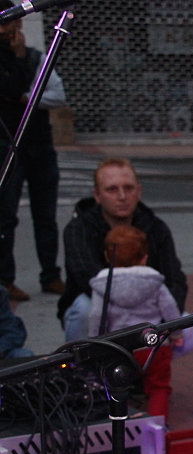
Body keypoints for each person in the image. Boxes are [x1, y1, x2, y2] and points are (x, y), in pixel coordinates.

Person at [58, 159, 188, 342]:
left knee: (191, 328)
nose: (122, 196)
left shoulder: (156, 228)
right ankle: (82, 364)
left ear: (139, 191)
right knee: (84, 310)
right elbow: (87, 277)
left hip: (147, 307)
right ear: (97, 195)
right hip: (100, 306)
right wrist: (131, 306)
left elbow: (174, 277)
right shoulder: (79, 229)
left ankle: (151, 365)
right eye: (111, 189)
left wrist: (165, 320)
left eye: (128, 188)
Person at [0, 1, 67, 302]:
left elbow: (55, 94)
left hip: (39, 144)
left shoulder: (36, 57)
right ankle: (5, 279)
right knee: (6, 216)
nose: (7, 30)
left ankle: (50, 274)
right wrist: (15, 58)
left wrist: (27, 95)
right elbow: (10, 90)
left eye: (11, 22)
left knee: (46, 214)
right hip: (7, 146)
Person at [88, 225, 180, 419]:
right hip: (152, 346)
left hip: (119, 348)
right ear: (144, 257)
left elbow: (96, 315)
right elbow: (170, 309)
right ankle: (157, 426)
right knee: (159, 388)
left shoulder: (102, 284)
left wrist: (94, 340)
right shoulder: (154, 282)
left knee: (119, 388)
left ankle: (126, 424)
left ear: (107, 256)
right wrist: (177, 333)